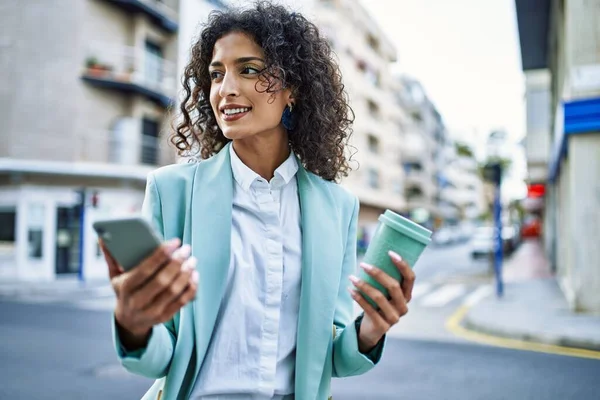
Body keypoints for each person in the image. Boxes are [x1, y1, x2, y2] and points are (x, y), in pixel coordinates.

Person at [100, 2, 416, 399]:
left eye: (248, 69)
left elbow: (330, 358)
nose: (225, 88)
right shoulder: (171, 191)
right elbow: (160, 359)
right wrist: (134, 323)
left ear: (292, 89)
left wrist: (371, 328)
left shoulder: (337, 207)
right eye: (217, 74)